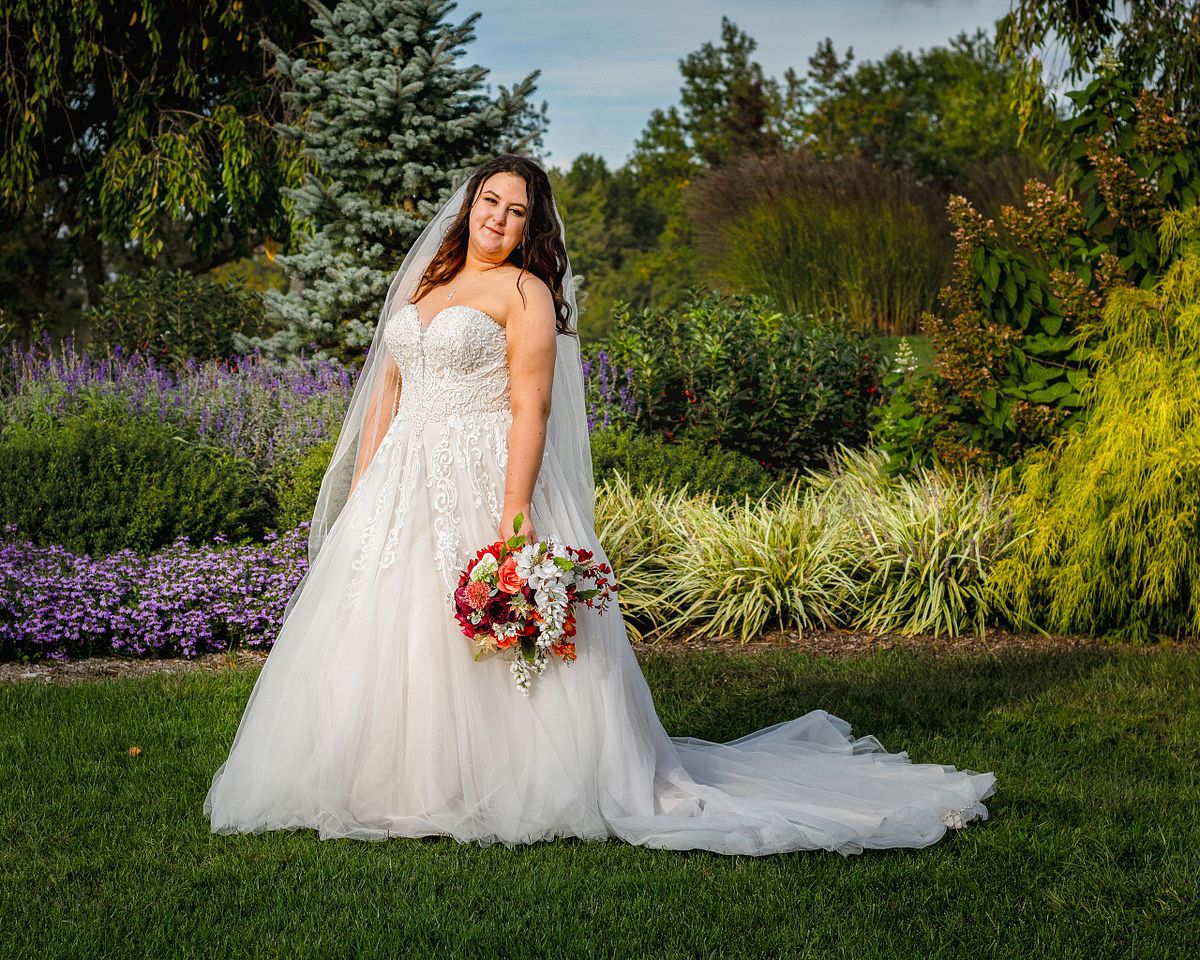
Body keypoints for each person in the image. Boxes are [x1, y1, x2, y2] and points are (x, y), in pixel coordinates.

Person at [203, 154, 996, 855]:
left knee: (484, 628)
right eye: (491, 203)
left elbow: (530, 407)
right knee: (387, 626)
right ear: (468, 203)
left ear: (531, 225)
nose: (500, 219)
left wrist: (513, 516)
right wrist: (366, 482)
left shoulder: (526, 293)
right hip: (403, 475)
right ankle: (381, 780)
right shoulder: (428, 283)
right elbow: (389, 389)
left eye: (517, 211)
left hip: (484, 468)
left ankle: (509, 777)